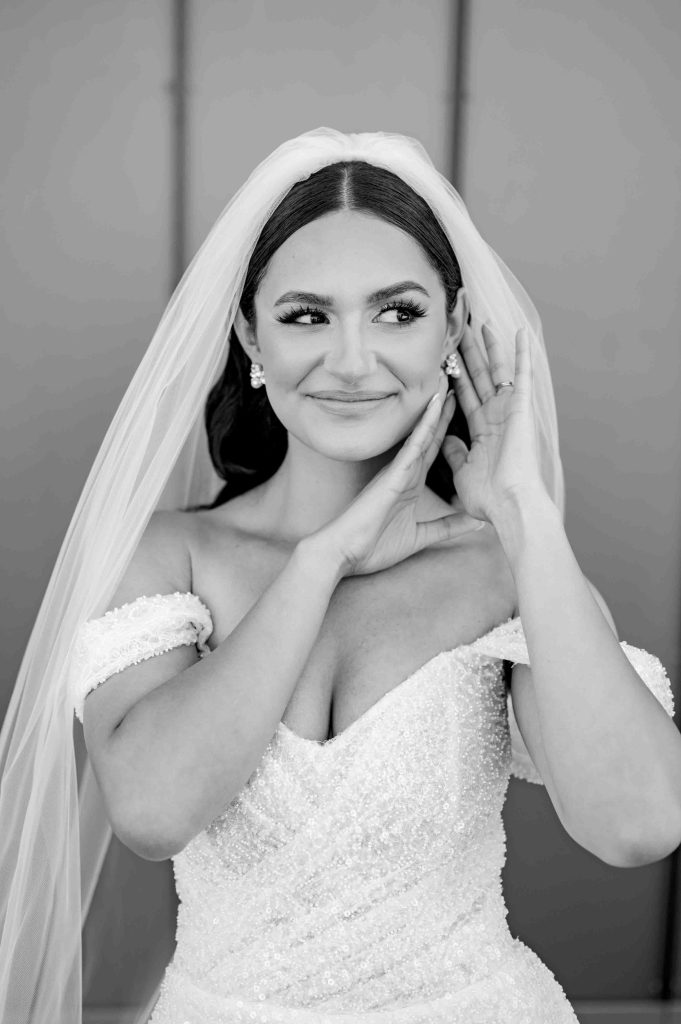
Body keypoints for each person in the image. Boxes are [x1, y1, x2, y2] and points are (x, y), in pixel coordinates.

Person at [0, 128, 678, 1024]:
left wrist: (522, 514)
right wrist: (323, 558)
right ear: (250, 333)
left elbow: (638, 826)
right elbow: (153, 811)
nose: (352, 362)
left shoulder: (502, 569)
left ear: (453, 328)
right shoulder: (168, 558)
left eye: (396, 312)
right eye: (306, 314)